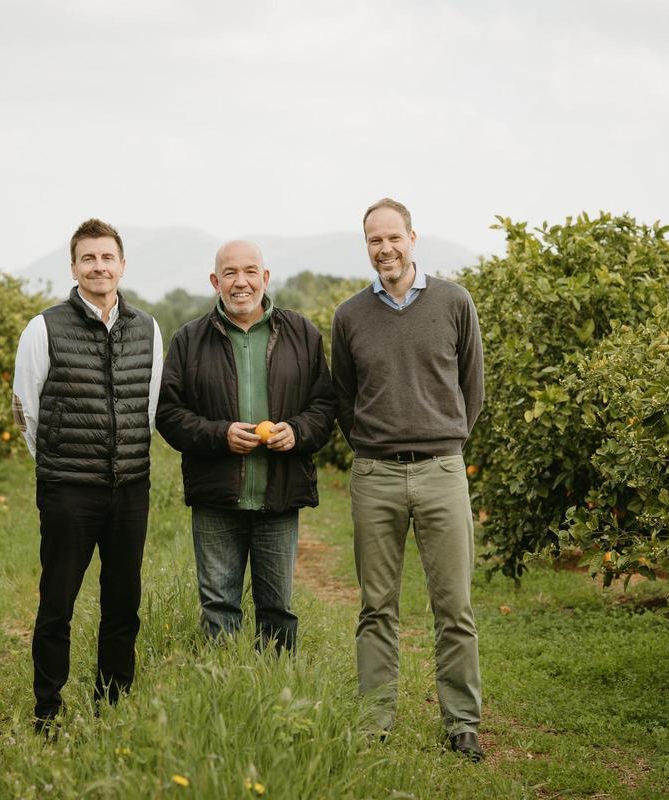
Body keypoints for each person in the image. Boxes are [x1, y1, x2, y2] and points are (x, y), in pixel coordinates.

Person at [330, 198, 486, 760]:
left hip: (443, 470)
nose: (385, 249)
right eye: (374, 240)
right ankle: (375, 720)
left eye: (393, 238)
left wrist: (445, 440)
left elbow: (474, 387)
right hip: (374, 475)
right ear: (366, 245)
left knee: (455, 605)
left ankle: (462, 724)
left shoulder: (454, 302)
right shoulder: (349, 317)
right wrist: (373, 447)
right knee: (376, 606)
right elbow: (344, 398)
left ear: (412, 238)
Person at [11, 218, 163, 733]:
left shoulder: (147, 328)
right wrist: (58, 465)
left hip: (130, 489)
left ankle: (113, 704)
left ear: (122, 265)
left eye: (107, 257)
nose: (99, 267)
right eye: (88, 258)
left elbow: (149, 408)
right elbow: (26, 411)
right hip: (68, 491)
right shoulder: (45, 327)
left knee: (123, 602)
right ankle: (47, 710)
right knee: (58, 604)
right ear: (74, 267)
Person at [156, 240, 335, 653]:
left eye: (250, 271)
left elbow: (325, 406)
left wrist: (297, 431)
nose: (242, 282)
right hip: (217, 498)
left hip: (279, 494)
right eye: (231, 273)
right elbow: (168, 413)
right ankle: (224, 695)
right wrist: (220, 436)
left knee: (278, 611)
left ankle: (275, 698)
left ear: (265, 278)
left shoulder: (302, 334)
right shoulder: (189, 340)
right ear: (215, 281)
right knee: (219, 608)